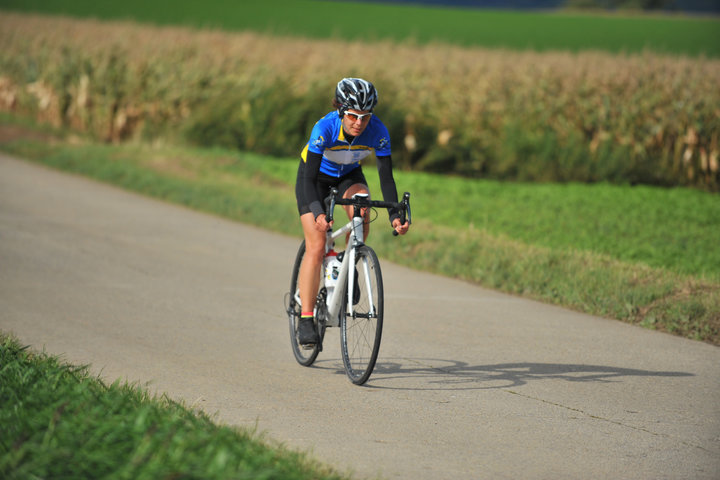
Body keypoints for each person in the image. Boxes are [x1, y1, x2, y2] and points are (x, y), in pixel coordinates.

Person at [295, 77, 409, 346]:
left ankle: (350, 262)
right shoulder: (324, 128)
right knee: (316, 243)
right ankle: (306, 317)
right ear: (341, 110)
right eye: (353, 116)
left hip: (348, 175)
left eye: (365, 117)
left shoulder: (378, 131)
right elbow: (309, 180)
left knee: (363, 205)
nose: (359, 123)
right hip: (314, 180)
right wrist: (317, 211)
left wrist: (395, 216)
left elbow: (386, 179)